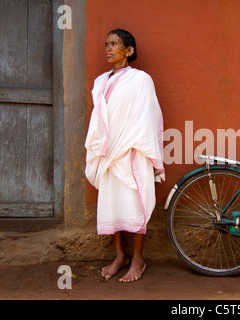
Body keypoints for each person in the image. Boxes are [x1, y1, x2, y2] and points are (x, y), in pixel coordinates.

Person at [85, 29, 164, 283]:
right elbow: (100, 120)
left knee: (134, 205)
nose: (108, 48)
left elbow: (147, 115)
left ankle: (138, 259)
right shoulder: (100, 82)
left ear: (129, 50)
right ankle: (120, 256)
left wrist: (133, 144)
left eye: (115, 44)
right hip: (108, 154)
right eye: (106, 43)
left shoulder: (141, 79)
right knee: (112, 204)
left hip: (131, 150)